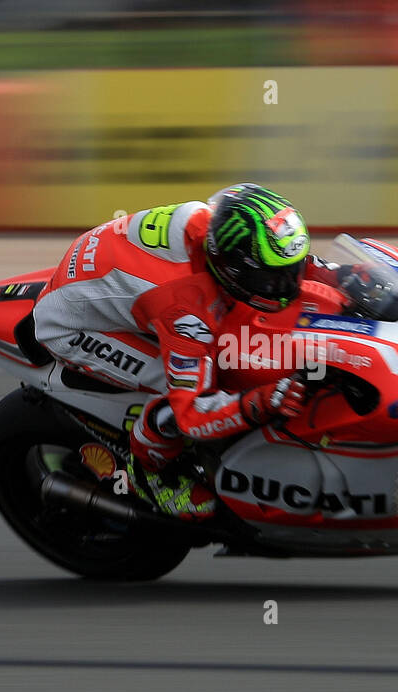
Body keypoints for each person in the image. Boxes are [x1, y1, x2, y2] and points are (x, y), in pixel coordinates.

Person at [33, 183, 345, 521]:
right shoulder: (187, 310)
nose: (288, 284)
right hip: (73, 327)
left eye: (291, 269)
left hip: (114, 278)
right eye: (274, 279)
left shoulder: (220, 225)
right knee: (184, 391)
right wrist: (263, 401)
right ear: (234, 270)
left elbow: (286, 262)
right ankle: (151, 473)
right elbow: (191, 415)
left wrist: (344, 276)